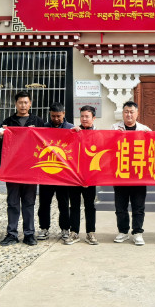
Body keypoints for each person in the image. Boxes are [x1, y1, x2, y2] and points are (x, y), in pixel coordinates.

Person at [0, 91, 46, 247]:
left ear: (30, 104)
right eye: (20, 102)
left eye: (26, 102)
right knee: (12, 202)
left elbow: (46, 144)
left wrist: (35, 133)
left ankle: (29, 234)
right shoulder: (8, 122)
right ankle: (11, 234)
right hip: (12, 168)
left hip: (31, 168)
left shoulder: (38, 121)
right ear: (15, 104)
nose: (23, 105)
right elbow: (1, 148)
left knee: (29, 202)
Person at [111, 101, 151, 246]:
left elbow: (152, 149)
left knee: (138, 206)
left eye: (132, 112)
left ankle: (137, 232)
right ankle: (123, 231)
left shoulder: (145, 129)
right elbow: (108, 147)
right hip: (120, 173)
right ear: (122, 113)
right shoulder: (114, 128)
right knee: (120, 206)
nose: (129, 115)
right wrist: (115, 136)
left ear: (137, 113)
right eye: (126, 112)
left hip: (139, 174)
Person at [37, 102, 74, 241]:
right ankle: (44, 228)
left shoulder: (71, 128)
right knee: (44, 203)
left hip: (63, 174)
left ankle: (65, 229)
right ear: (49, 114)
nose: (56, 119)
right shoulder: (44, 127)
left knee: (63, 203)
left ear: (64, 114)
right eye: (53, 116)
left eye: (58, 116)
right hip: (47, 173)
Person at [64, 105, 99, 245]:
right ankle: (74, 232)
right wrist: (71, 134)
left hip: (90, 176)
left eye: (87, 116)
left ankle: (91, 233)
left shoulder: (99, 134)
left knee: (90, 205)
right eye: (82, 116)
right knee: (74, 205)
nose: (84, 119)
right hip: (74, 176)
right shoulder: (73, 132)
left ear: (93, 118)